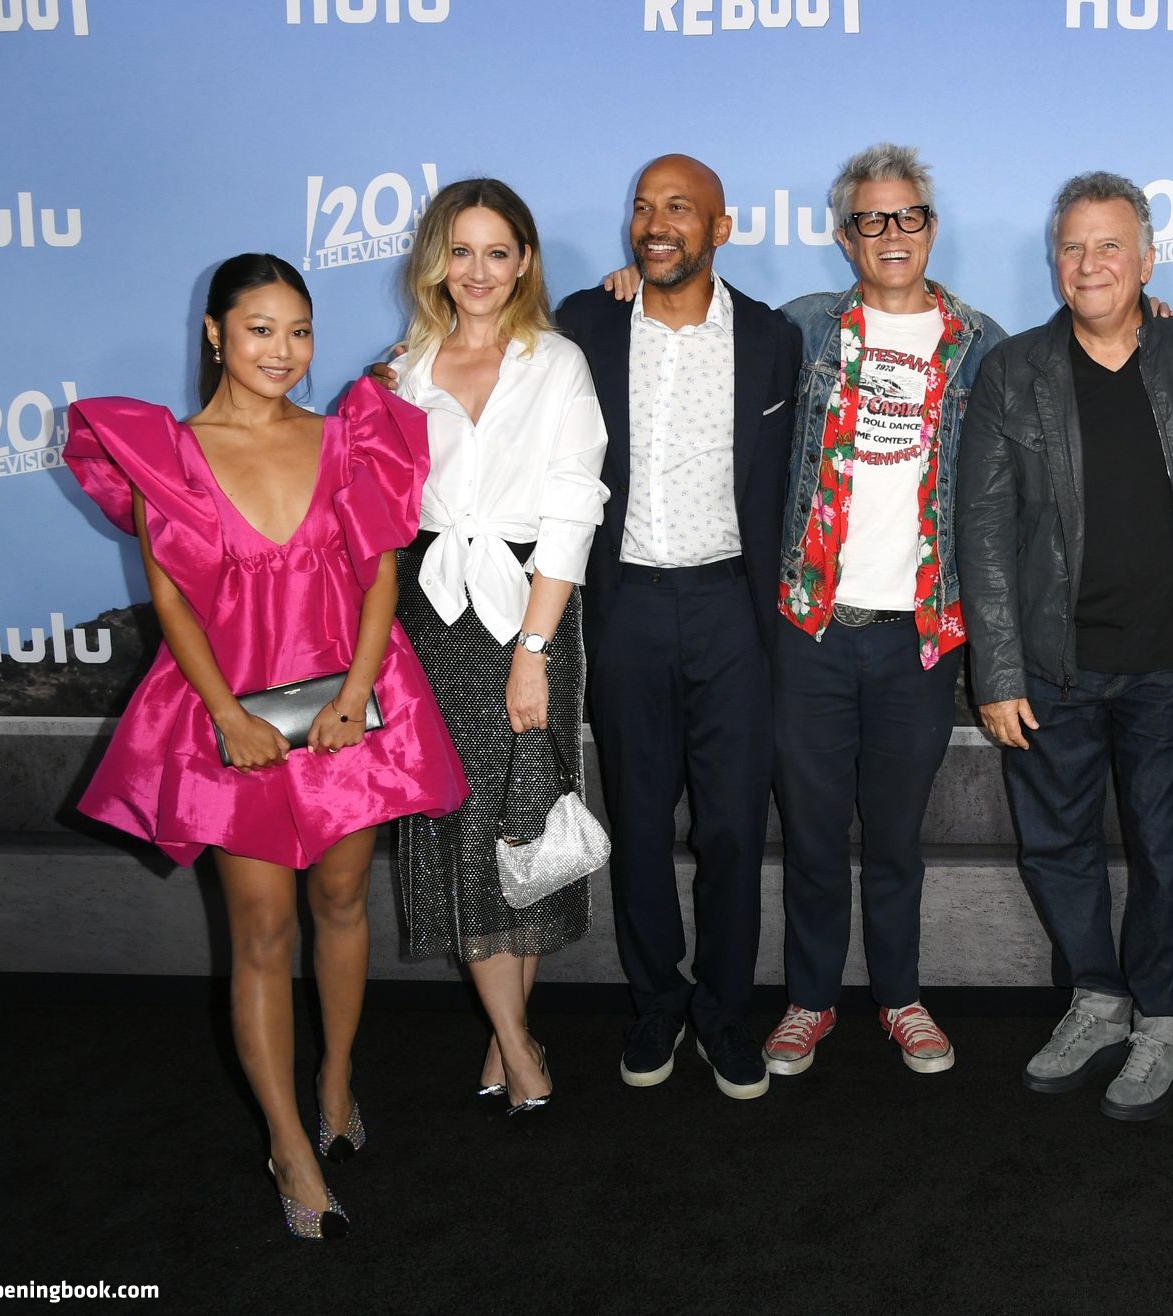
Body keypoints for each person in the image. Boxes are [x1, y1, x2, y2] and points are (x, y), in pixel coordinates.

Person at [64, 254, 468, 1239]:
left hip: (346, 712)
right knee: (261, 931)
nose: (283, 351)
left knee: (342, 902)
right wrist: (227, 716)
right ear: (215, 334)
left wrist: (357, 696)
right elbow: (170, 599)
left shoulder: (347, 439)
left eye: (299, 331)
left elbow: (379, 577)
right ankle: (288, 1143)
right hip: (232, 721)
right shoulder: (171, 454)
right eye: (259, 329)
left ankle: (333, 1081)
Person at [956, 172, 1173, 1120]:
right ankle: (1096, 997)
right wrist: (997, 671)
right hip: (1052, 670)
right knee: (1056, 849)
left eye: (1109, 245)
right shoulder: (1013, 371)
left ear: (1148, 259)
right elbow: (983, 531)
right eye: (1073, 247)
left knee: (1171, 853)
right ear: (1055, 260)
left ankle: (1166, 1015)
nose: (1089, 264)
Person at [554, 155, 803, 1101]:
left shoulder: (775, 338)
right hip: (626, 608)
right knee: (641, 821)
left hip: (732, 608)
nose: (657, 224)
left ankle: (723, 1011)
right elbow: (485, 342)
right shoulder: (586, 322)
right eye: (644, 208)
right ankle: (657, 1000)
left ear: (721, 227)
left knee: (734, 827)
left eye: (679, 209)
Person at [757, 144, 1005, 1077]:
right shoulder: (801, 328)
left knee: (897, 837)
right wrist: (630, 288)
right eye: (872, 218)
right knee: (814, 833)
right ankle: (811, 1000)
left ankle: (900, 997)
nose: (891, 233)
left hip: (919, 638)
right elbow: (703, 333)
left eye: (908, 217)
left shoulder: (981, 341)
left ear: (931, 230)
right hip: (811, 630)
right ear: (844, 235)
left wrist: (1153, 319)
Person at [384, 179, 611, 1127]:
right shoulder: (399, 373)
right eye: (461, 250)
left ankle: (505, 1033)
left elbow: (574, 508)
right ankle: (518, 1044)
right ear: (436, 260)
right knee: (462, 825)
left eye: (497, 252)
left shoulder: (557, 363)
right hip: (432, 616)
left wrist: (534, 649)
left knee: (523, 820)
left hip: (531, 607)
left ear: (524, 263)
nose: (478, 271)